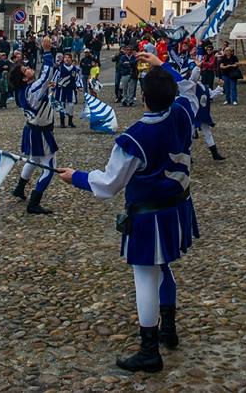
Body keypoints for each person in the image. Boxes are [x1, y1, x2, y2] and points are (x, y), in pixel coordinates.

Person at [57, 52, 199, 373]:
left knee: (145, 277)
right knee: (164, 269)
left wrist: (75, 176)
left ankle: (150, 350)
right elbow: (189, 88)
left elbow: (108, 184)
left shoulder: (133, 138)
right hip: (176, 208)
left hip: (149, 216)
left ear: (143, 97)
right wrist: (162, 65)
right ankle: (169, 330)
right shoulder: (183, 114)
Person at [9, 37, 61, 214]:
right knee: (50, 165)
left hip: (31, 128)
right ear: (24, 78)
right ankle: (34, 202)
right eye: (26, 70)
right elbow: (46, 73)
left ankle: (19, 187)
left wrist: (47, 88)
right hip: (41, 131)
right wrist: (46, 51)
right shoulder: (32, 89)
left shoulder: (25, 91)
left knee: (34, 159)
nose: (30, 68)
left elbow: (43, 85)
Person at [55, 53, 81, 129]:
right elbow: (55, 78)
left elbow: (77, 78)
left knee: (71, 105)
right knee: (61, 105)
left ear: (71, 59)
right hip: (61, 90)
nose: (67, 59)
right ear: (63, 59)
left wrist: (79, 86)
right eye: (65, 57)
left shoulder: (75, 69)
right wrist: (53, 87)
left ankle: (70, 121)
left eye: (68, 57)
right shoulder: (60, 68)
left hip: (71, 89)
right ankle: (62, 122)